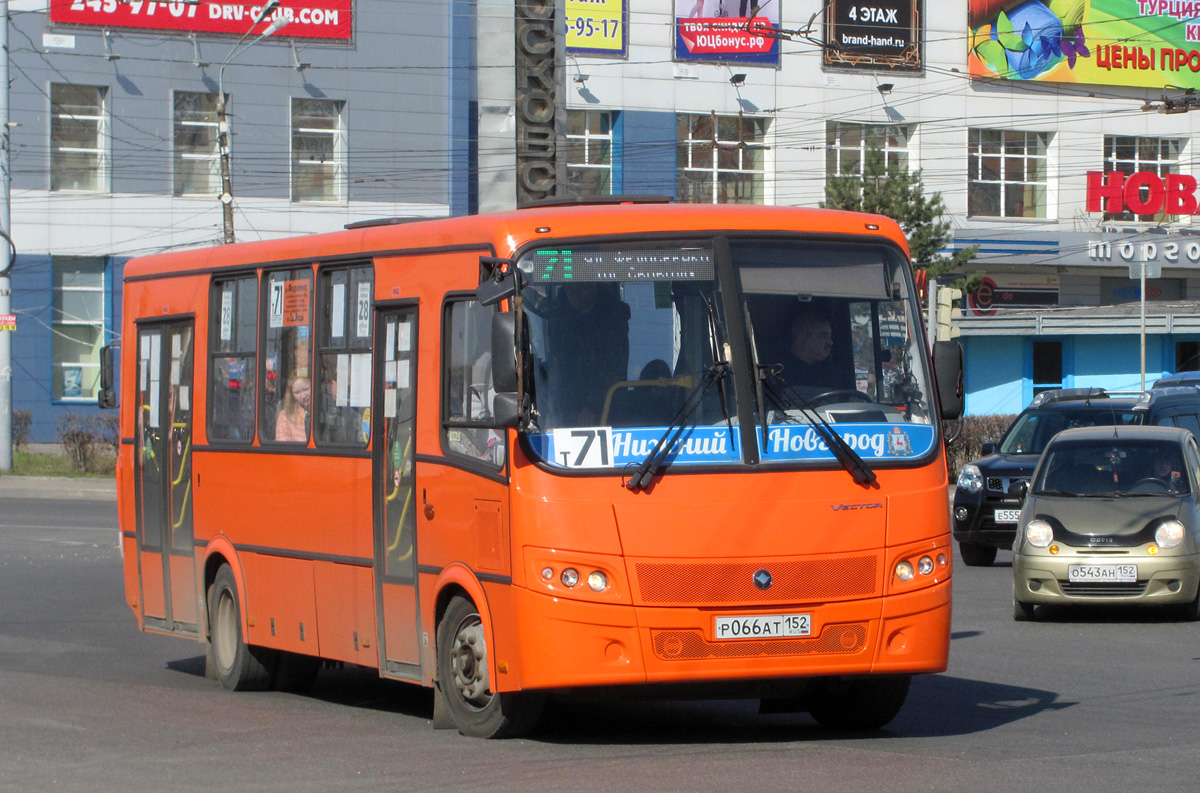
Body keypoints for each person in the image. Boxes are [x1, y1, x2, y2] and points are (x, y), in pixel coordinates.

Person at [536, 282, 631, 427]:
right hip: (563, 407)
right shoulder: (556, 317)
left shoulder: (612, 320)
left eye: (583, 288)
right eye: (571, 289)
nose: (577, 295)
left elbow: (614, 368)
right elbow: (556, 366)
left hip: (607, 407)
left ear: (595, 287)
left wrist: (592, 407)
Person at [778, 311, 838, 391]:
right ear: (802, 339)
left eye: (830, 337)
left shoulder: (836, 373)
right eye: (823, 336)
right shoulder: (779, 373)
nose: (830, 342)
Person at [275, 376, 311, 442]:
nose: (303, 396)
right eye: (297, 392)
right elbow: (282, 441)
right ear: (292, 395)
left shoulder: (323, 410)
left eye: (306, 389)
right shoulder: (286, 414)